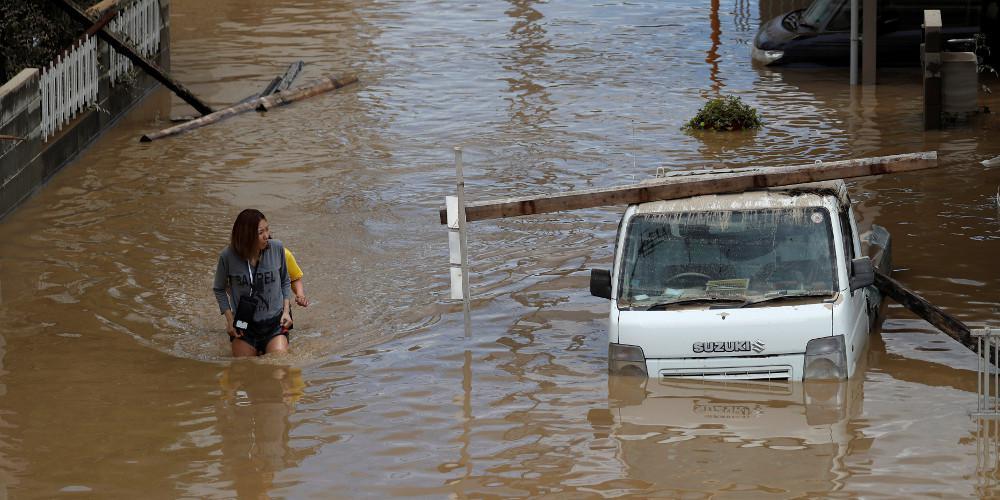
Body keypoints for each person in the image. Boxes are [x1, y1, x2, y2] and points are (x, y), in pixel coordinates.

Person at [213, 209, 293, 357]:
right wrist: (230, 321)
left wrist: (287, 312)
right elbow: (219, 288)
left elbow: (285, 280)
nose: (266, 236)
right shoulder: (228, 256)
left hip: (274, 322)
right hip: (244, 325)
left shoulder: (277, 248)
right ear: (246, 236)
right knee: (244, 369)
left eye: (267, 230)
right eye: (260, 232)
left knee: (279, 366)